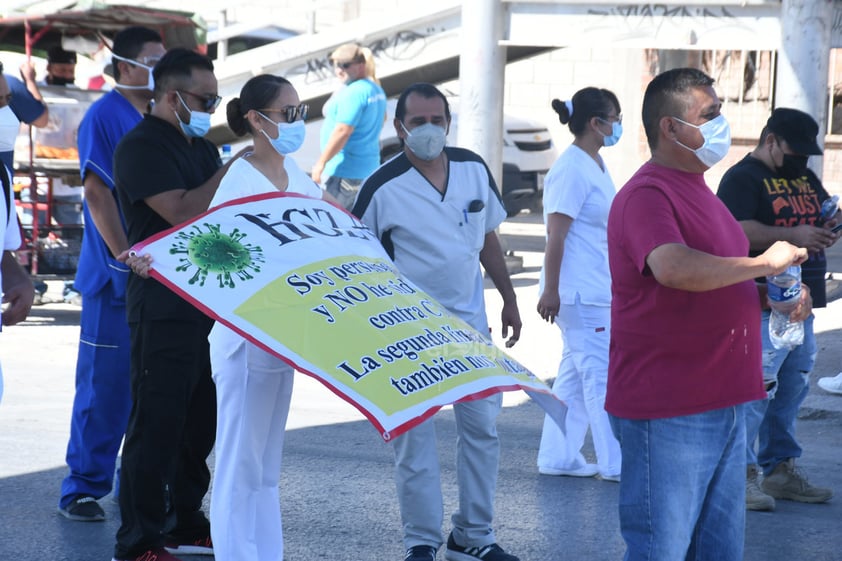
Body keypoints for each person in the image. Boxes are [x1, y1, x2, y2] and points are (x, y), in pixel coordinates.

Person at [606, 67, 809, 560]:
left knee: (717, 552)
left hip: (724, 400)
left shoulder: (701, 190)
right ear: (670, 128)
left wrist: (771, 297)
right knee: (662, 550)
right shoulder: (647, 194)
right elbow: (672, 267)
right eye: (710, 114)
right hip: (671, 405)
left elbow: (716, 277)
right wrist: (764, 262)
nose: (722, 124)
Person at [352, 82, 522, 561]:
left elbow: (487, 235)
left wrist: (508, 298)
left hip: (470, 330)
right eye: (419, 121)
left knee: (483, 431)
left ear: (449, 122)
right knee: (414, 441)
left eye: (437, 120)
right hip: (406, 334)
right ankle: (421, 542)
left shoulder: (472, 168)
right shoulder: (380, 187)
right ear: (399, 126)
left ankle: (474, 536)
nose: (429, 130)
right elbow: (356, 261)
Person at [111, 47, 235, 561]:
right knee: (155, 422)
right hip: (161, 303)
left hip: (205, 303)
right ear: (171, 96)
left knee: (198, 423)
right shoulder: (141, 147)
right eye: (206, 99)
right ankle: (139, 539)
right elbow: (182, 211)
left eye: (216, 97)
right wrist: (234, 171)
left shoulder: (201, 148)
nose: (211, 107)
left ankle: (186, 519)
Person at [209, 74, 336, 561]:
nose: (298, 122)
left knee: (265, 466)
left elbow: (340, 224)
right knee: (240, 460)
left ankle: (265, 553)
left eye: (302, 112)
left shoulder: (297, 178)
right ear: (257, 121)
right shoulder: (238, 180)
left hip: (281, 339)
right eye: (289, 114)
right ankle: (235, 554)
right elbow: (212, 253)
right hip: (243, 338)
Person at [56, 26, 165, 523]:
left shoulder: (162, 117)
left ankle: (135, 484)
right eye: (152, 59)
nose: (159, 68)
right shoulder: (105, 115)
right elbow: (97, 193)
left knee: (150, 388)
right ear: (124, 65)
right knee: (105, 388)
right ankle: (81, 487)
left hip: (155, 275)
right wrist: (123, 254)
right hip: (114, 277)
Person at [717, 107, 838, 511]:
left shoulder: (802, 173)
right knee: (754, 392)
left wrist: (829, 225)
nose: (801, 160)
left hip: (802, 301)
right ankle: (742, 475)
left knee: (791, 389)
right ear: (771, 140)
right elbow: (735, 229)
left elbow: (818, 211)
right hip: (760, 301)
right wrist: (793, 234)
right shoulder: (742, 177)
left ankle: (780, 470)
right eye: (793, 150)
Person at [535, 88, 622, 482]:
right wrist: (550, 291)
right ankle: (614, 463)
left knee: (574, 377)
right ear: (595, 123)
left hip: (595, 289)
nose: (618, 125)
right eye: (615, 117)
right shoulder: (571, 168)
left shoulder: (595, 163)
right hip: (580, 294)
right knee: (600, 377)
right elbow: (556, 236)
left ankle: (559, 456)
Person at [312, 42, 386, 209]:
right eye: (336, 64)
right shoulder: (375, 88)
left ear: (360, 66)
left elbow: (343, 131)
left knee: (335, 226)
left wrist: (321, 163)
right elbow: (382, 121)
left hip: (344, 172)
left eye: (345, 65)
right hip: (367, 169)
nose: (339, 69)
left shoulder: (354, 92)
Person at [0, 71, 36, 404]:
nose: (6, 117)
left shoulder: (1, 177)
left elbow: (3, 249)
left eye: (6, 103)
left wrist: (20, 280)